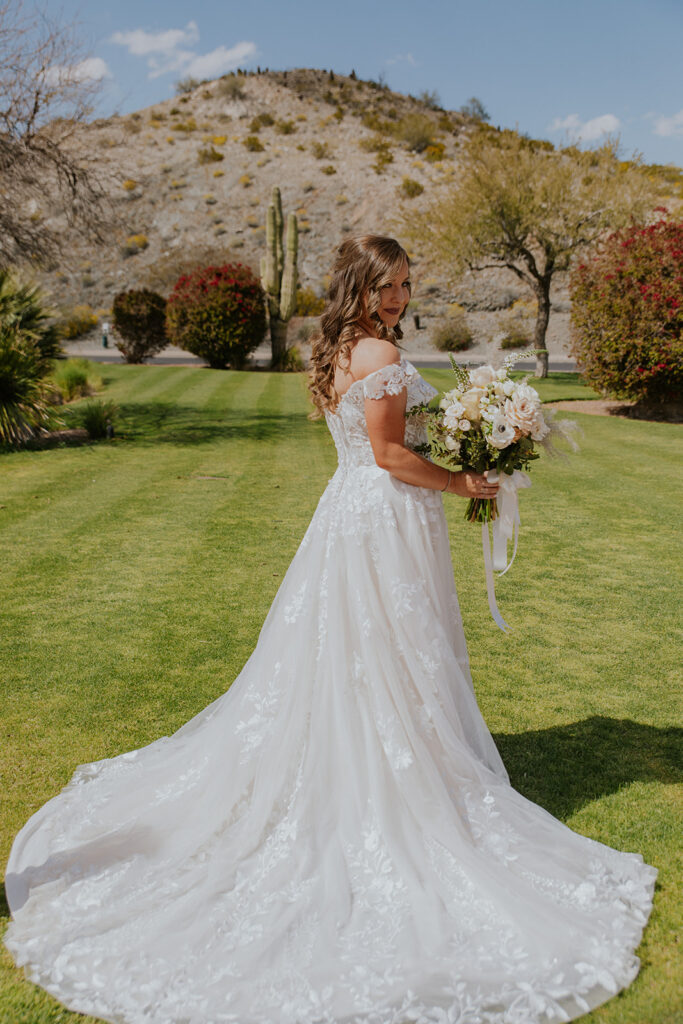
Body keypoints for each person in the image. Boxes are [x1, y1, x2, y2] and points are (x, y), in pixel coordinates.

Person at [4, 235, 656, 1024]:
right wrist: (461, 478)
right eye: (388, 285)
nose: (400, 298)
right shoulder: (376, 348)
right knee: (387, 648)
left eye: (408, 285)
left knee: (362, 651)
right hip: (385, 516)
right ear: (360, 285)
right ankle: (398, 775)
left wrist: (468, 439)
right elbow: (386, 454)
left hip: (352, 518)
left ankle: (382, 748)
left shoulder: (343, 345)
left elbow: (382, 443)